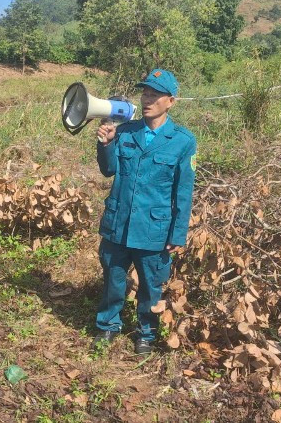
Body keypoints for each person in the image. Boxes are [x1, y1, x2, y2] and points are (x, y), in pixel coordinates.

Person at [93, 68, 196, 355]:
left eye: (155, 95)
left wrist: (178, 232)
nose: (148, 99)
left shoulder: (183, 140)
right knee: (113, 277)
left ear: (171, 101)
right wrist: (106, 143)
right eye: (145, 94)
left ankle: (146, 334)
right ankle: (107, 325)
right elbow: (109, 169)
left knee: (151, 284)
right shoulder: (125, 131)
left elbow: (183, 191)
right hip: (119, 222)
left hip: (154, 228)